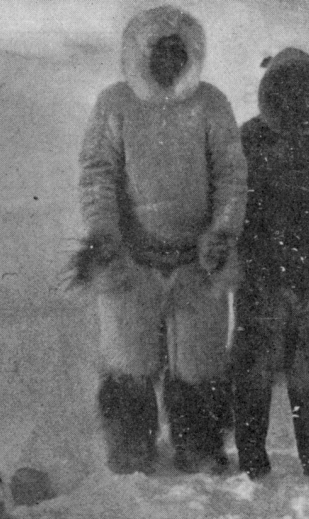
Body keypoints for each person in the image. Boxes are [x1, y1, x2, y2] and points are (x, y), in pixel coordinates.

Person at [74, 6, 247, 475]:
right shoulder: (114, 103)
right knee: (128, 360)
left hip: (197, 261)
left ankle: (200, 446)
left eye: (178, 51)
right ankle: (131, 446)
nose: (169, 60)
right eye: (159, 50)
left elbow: (231, 176)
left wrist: (222, 232)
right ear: (139, 54)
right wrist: (105, 235)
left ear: (192, 54)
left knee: (198, 362)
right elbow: (97, 175)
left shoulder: (211, 103)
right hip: (131, 259)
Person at [231, 48, 309, 484]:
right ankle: (251, 453)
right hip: (262, 275)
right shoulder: (249, 138)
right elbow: (237, 207)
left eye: (303, 88)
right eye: (284, 88)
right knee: (254, 369)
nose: (294, 97)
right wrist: (250, 265)